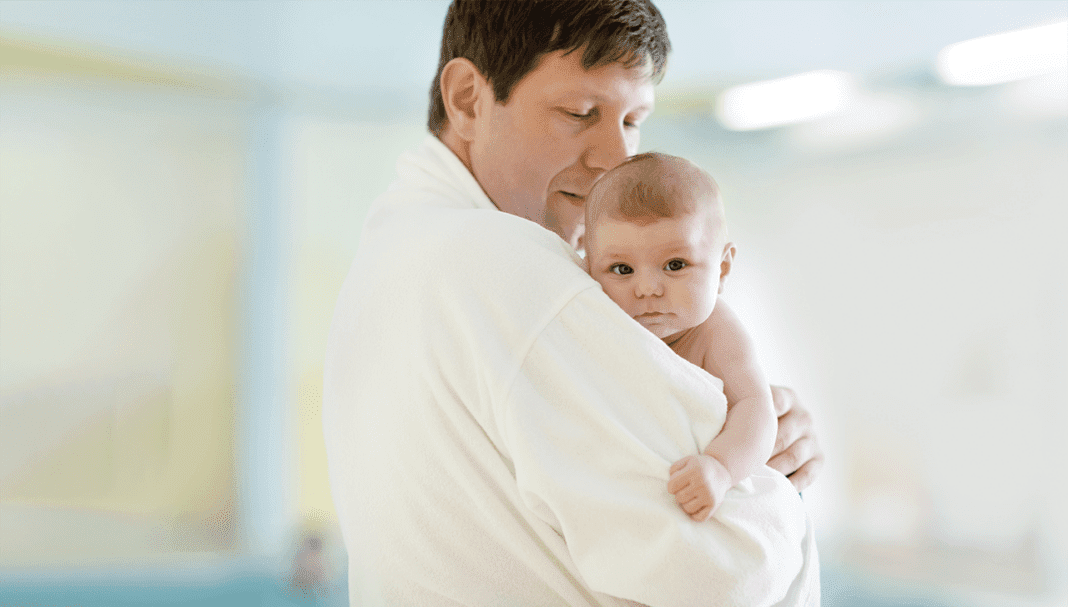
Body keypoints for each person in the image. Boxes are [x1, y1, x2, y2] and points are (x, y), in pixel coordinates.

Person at [323, 1, 823, 605]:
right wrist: (771, 479)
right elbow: (726, 575)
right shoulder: (506, 264)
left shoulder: (394, 249)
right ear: (467, 99)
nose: (617, 159)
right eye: (581, 113)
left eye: (633, 121)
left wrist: (731, 419)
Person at [583, 151, 776, 522]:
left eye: (675, 265)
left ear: (722, 270)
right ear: (588, 270)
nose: (648, 288)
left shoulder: (717, 332)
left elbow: (756, 409)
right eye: (621, 269)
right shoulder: (597, 321)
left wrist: (720, 468)